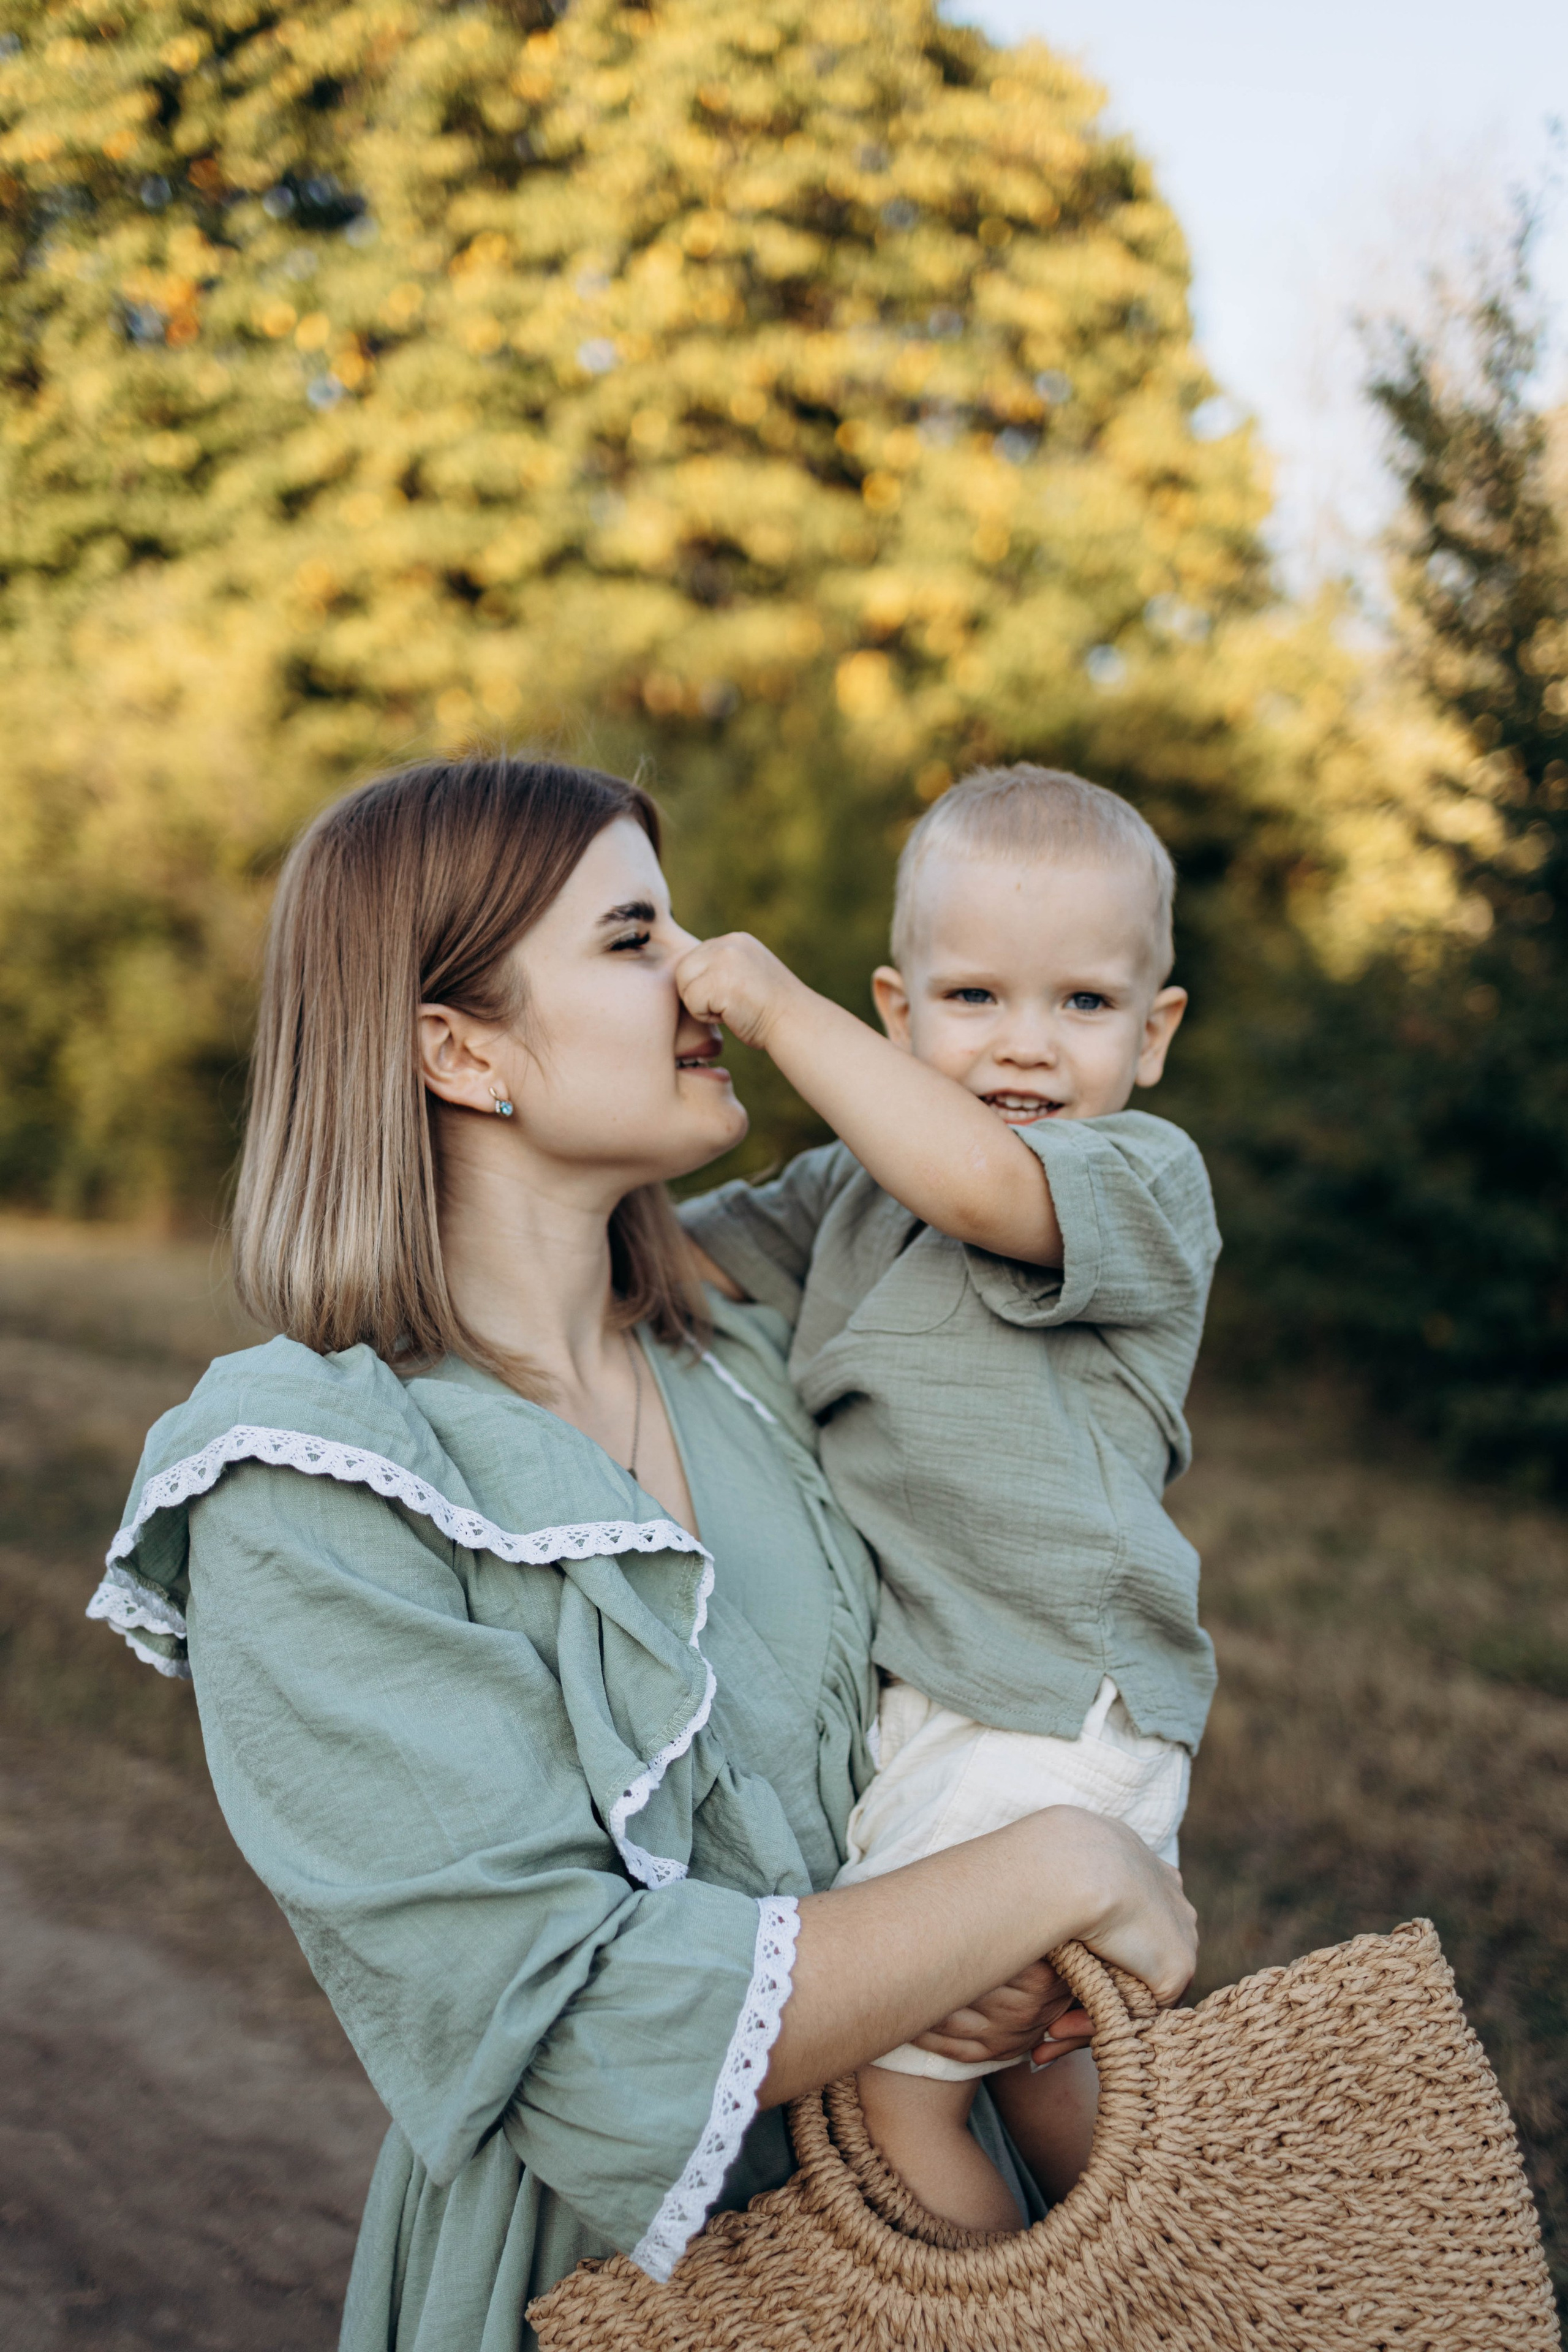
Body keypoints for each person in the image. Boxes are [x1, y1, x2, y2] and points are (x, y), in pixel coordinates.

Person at [85, 756, 1196, 2351]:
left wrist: (1047, 1874)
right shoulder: (310, 1481)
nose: (699, 972)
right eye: (631, 936)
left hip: (937, 2248)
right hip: (601, 2290)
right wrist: (1061, 1871)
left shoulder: (754, 1352)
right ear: (461, 1049)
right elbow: (582, 2032)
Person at [676, 763, 1219, 2231]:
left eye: (1083, 1006)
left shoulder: (1135, 1175)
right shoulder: (845, 1193)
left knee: (883, 2098)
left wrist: (782, 1015)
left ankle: (995, 2323)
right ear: (899, 1009)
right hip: (957, 1709)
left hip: (1046, 1707)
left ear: (1152, 1034)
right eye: (973, 999)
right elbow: (668, 1257)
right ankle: (1170, 2296)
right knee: (1056, 2090)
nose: (1026, 1048)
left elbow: (982, 1184)